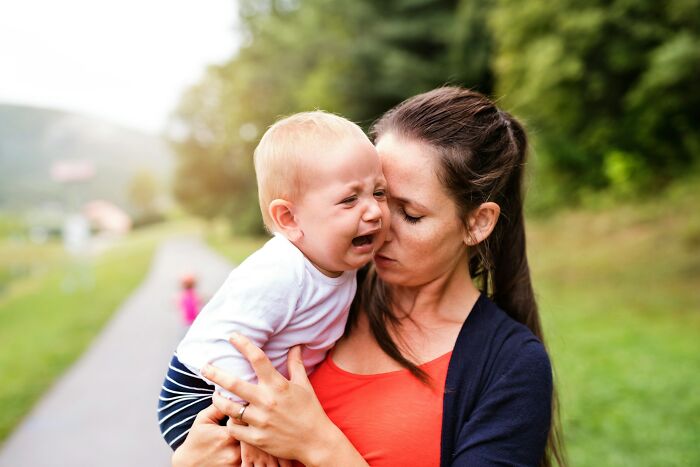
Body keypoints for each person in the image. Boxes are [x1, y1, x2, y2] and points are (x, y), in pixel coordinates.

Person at [167, 87, 565, 467]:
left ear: (477, 223)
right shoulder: (326, 296)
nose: (377, 222)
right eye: (376, 195)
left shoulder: (510, 365)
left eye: (410, 213)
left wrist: (317, 443)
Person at [158, 111, 389, 465]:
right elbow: (230, 348)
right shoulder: (281, 272)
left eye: (379, 191)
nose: (373, 210)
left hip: (247, 390)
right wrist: (245, 419)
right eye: (349, 199)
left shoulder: (343, 262)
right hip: (199, 391)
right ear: (289, 219)